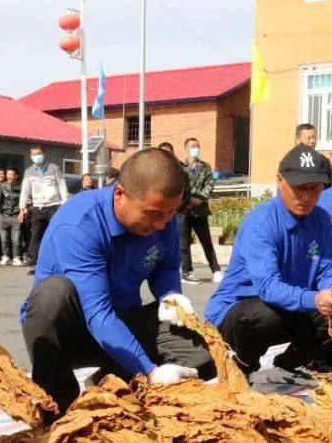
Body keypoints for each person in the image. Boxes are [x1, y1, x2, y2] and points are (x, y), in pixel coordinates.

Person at [21, 148, 215, 413]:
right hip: (71, 331)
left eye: (170, 213)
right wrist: (149, 372)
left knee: (203, 354)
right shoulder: (80, 224)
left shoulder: (163, 216)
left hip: (123, 319)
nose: (161, 224)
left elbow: (166, 267)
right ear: (120, 194)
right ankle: (59, 404)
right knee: (51, 295)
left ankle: (107, 382)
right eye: (153, 213)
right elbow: (98, 315)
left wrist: (170, 295)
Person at [205, 144, 332, 382]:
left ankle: (289, 365)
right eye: (299, 188)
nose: (307, 196)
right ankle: (238, 369)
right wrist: (313, 299)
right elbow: (268, 286)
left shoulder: (320, 220)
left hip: (286, 306)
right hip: (238, 312)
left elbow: (330, 267)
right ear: (280, 180)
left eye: (314, 188)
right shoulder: (261, 223)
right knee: (264, 316)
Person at [179, 137, 223, 285]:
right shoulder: (180, 166)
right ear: (186, 149)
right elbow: (179, 187)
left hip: (200, 210)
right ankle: (187, 271)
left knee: (206, 241)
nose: (195, 148)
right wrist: (189, 200)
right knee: (183, 243)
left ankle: (216, 270)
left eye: (197, 146)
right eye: (192, 146)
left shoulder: (205, 166)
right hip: (183, 209)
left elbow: (209, 184)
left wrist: (199, 199)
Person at [19, 145, 69, 273]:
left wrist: (65, 204)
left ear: (44, 154)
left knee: (54, 235)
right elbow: (24, 191)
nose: (37, 156)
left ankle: (59, 263)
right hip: (37, 208)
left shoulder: (54, 168)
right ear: (31, 157)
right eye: (34, 154)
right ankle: (37, 265)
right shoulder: (29, 172)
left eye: (39, 153)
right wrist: (22, 208)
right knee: (36, 236)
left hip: (53, 207)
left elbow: (62, 186)